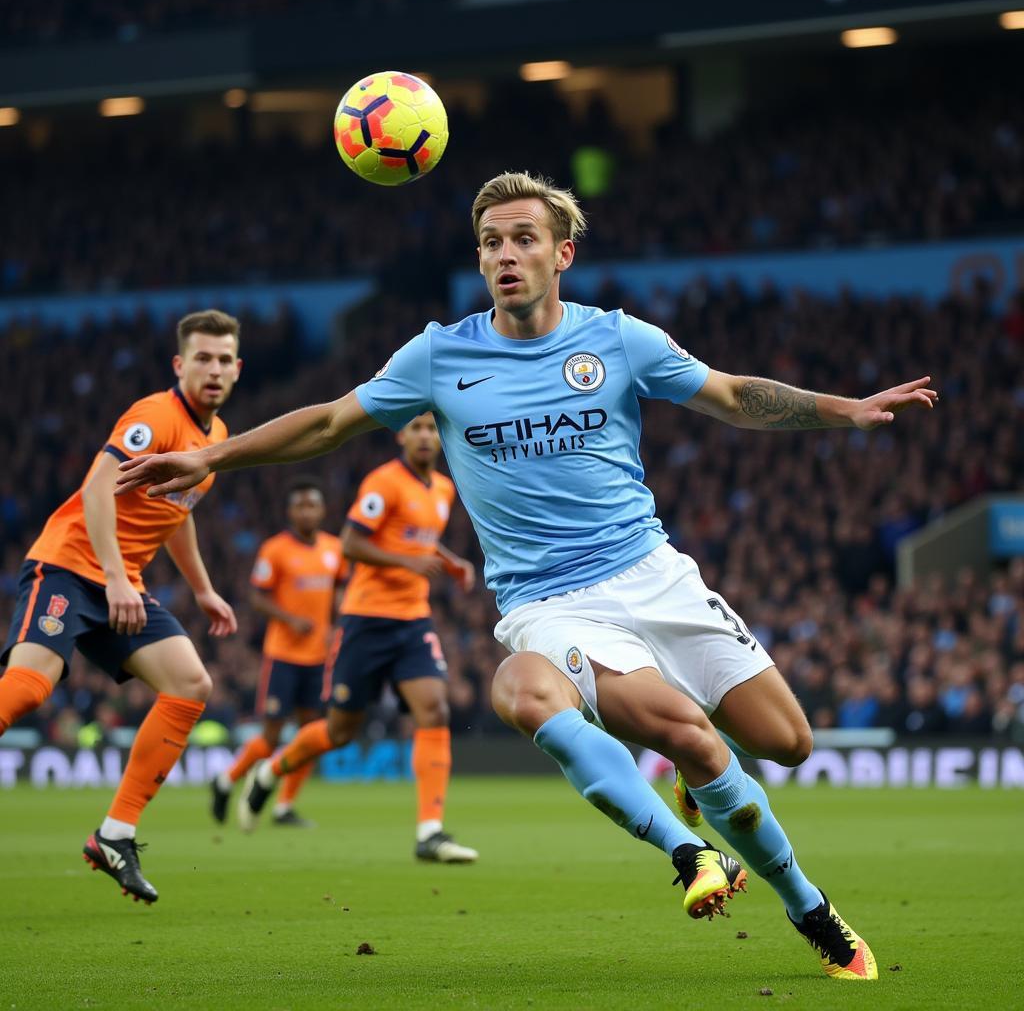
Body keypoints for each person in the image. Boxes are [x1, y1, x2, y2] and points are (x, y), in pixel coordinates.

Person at [117, 172, 937, 977]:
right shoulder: (440, 355)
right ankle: (791, 898)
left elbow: (728, 394)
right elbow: (331, 422)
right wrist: (212, 452)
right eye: (490, 243)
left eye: (523, 239)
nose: (505, 255)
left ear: (562, 253)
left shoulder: (617, 338)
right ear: (479, 261)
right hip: (549, 604)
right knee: (571, 703)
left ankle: (699, 799)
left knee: (787, 744)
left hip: (655, 575)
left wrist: (847, 408)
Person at [1, 309, 242, 904]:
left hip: (121, 585)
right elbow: (95, 490)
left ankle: (115, 835)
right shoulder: (154, 416)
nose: (213, 370)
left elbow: (175, 514)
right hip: (69, 567)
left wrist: (205, 588)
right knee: (30, 688)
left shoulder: (217, 439)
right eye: (202, 359)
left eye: (223, 360)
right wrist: (114, 578)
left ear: (238, 369)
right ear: (179, 365)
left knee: (190, 684)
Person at [236, 412, 479, 863]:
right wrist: (406, 564)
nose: (425, 435)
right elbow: (350, 543)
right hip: (364, 622)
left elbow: (418, 540)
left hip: (412, 620)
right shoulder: (383, 483)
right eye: (417, 427)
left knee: (435, 709)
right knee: (339, 731)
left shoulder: (443, 489)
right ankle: (270, 772)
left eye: (432, 427)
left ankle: (430, 831)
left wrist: (449, 560)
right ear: (401, 434)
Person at [210, 477, 346, 828]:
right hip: (283, 655)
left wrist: (337, 625)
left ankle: (285, 806)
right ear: (290, 511)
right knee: (271, 736)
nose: (307, 511)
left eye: (312, 505)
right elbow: (257, 596)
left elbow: (339, 592)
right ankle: (227, 780)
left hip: (318, 657)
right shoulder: (275, 549)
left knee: (309, 736)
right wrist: (289, 619)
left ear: (322, 510)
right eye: (300, 505)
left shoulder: (334, 549)